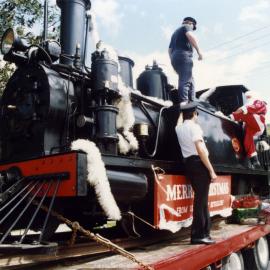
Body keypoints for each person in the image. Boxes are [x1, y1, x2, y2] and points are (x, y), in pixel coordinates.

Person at [175, 102, 217, 245]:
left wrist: (182, 111)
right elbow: (200, 150)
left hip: (189, 165)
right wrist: (211, 171)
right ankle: (199, 235)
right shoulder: (195, 127)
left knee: (201, 200)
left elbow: (179, 121)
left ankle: (204, 233)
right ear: (194, 114)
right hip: (199, 165)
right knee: (201, 201)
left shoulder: (179, 128)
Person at [168, 17, 203, 105]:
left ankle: (192, 101)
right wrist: (199, 51)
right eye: (193, 27)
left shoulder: (175, 33)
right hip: (184, 55)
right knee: (185, 80)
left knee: (190, 80)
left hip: (174, 57)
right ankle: (184, 103)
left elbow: (169, 50)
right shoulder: (186, 27)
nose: (192, 29)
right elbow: (190, 36)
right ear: (191, 24)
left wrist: (173, 62)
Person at [229, 91, 267, 169]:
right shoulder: (249, 105)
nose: (247, 98)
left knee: (245, 113)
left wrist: (238, 112)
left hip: (258, 123)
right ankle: (255, 160)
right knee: (247, 140)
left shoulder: (259, 102)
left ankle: (231, 117)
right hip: (251, 127)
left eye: (248, 97)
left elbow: (253, 108)